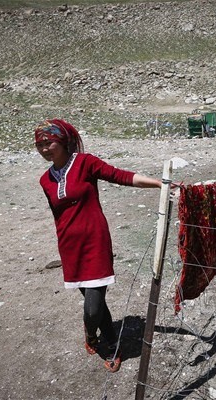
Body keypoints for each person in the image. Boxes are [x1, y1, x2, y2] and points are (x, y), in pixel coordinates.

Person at [34, 119, 162, 373]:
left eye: (49, 142)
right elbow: (57, 216)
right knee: (96, 301)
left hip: (95, 241)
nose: (44, 149)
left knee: (92, 306)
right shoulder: (45, 180)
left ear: (63, 141)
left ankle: (91, 334)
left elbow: (120, 176)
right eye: (39, 145)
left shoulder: (85, 163)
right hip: (70, 246)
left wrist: (158, 184)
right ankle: (112, 342)